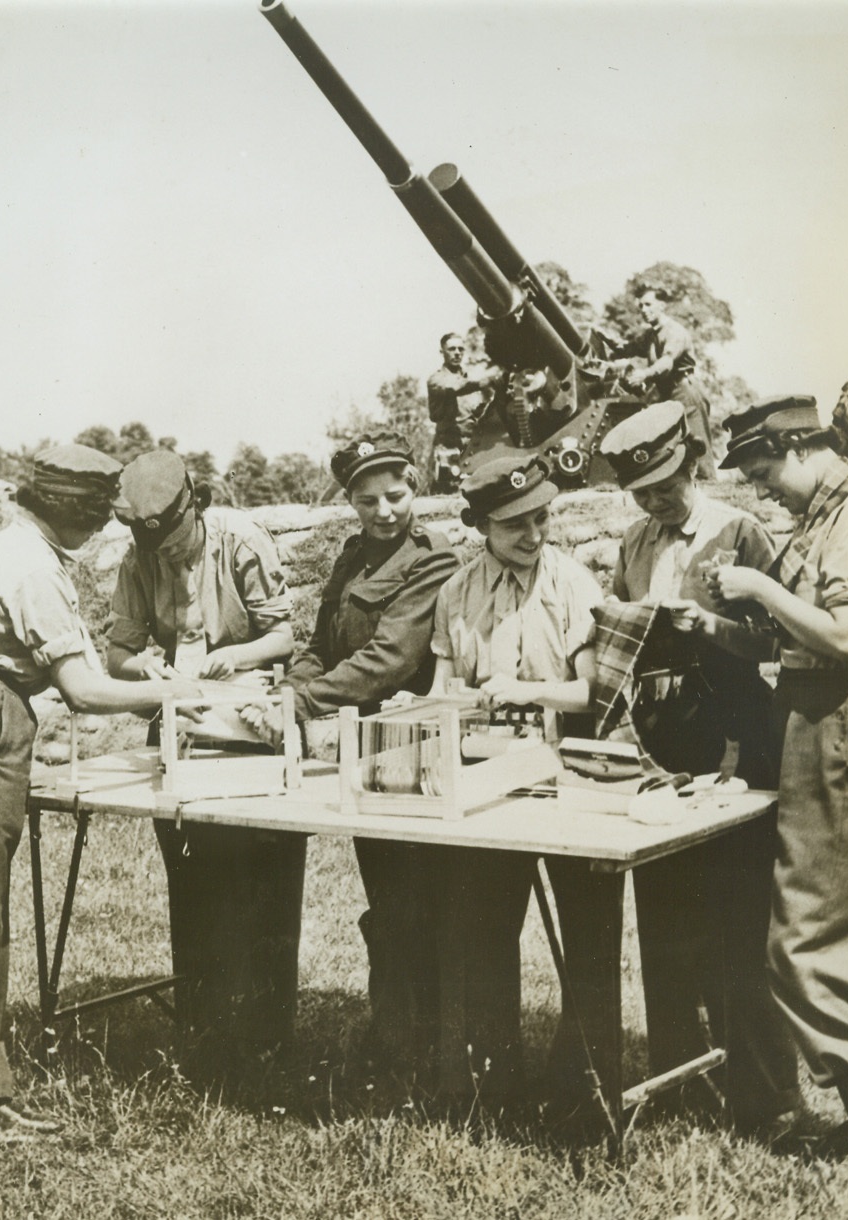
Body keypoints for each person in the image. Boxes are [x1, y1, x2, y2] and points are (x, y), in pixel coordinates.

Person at [0, 444, 201, 1147]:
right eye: (99, 517)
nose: (106, 531)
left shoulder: (23, 548)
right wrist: (174, 690)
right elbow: (82, 690)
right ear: (72, 514)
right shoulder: (31, 567)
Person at [709, 396, 848, 1171]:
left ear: (796, 448)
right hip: (834, 714)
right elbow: (802, 635)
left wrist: (758, 591)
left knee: (805, 935)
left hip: (846, 718)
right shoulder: (832, 514)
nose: (759, 489)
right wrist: (722, 626)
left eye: (761, 471)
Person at [598, 402, 800, 1133]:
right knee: (666, 918)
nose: (656, 502)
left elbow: (779, 646)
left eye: (665, 486)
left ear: (692, 464)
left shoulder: (739, 532)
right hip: (662, 743)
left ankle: (769, 1098)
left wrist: (707, 626)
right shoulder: (633, 542)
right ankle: (679, 1079)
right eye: (643, 493)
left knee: (740, 921)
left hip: (734, 737)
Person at [242, 431, 459, 1074]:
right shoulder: (352, 556)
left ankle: (426, 1036)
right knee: (388, 891)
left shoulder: (431, 560)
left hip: (413, 745)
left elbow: (390, 659)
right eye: (367, 501)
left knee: (420, 894)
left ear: (414, 487)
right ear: (351, 503)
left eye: (394, 496)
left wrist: (300, 705)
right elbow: (321, 644)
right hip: (364, 751)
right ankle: (394, 1030)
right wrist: (288, 689)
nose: (384, 511)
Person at [107, 449, 305, 1081]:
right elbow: (117, 652)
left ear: (197, 509)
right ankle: (203, 1027)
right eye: (155, 549)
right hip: (183, 732)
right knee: (194, 882)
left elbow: (284, 637)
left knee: (262, 886)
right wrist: (151, 671)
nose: (168, 558)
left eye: (176, 544)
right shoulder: (137, 558)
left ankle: (267, 1034)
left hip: (252, 727)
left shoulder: (242, 539)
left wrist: (239, 657)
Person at [426, 454, 604, 1109]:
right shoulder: (456, 592)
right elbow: (442, 689)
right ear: (480, 526)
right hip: (485, 782)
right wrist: (451, 706)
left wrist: (524, 690)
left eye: (541, 518)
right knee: (484, 929)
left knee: (587, 934)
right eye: (514, 525)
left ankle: (583, 1082)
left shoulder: (571, 582)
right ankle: (491, 1080)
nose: (533, 534)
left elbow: (595, 692)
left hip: (568, 776)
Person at [601, 286, 717, 479]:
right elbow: (628, 348)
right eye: (641, 306)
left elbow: (667, 362)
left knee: (697, 446)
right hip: (664, 394)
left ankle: (711, 491)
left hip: (684, 392)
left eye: (648, 305)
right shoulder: (650, 335)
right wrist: (607, 338)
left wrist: (644, 374)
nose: (643, 310)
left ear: (662, 305)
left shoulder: (674, 332)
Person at [426, 332, 501, 490]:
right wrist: (484, 382)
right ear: (442, 352)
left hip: (473, 447)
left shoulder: (473, 380)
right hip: (448, 447)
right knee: (447, 495)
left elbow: (484, 410)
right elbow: (454, 387)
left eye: (461, 349)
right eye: (452, 349)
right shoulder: (436, 380)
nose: (457, 353)